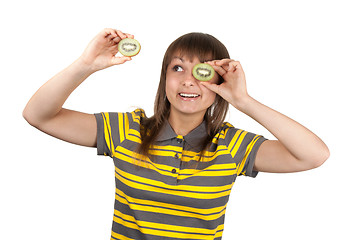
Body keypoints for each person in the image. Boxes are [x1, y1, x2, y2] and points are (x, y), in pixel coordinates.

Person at [23, 28, 330, 240]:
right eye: (178, 68)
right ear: (165, 77)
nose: (189, 82)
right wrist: (85, 65)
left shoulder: (233, 146)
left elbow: (315, 155)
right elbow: (37, 115)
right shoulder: (126, 130)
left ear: (219, 82)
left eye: (203, 72)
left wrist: (244, 101)